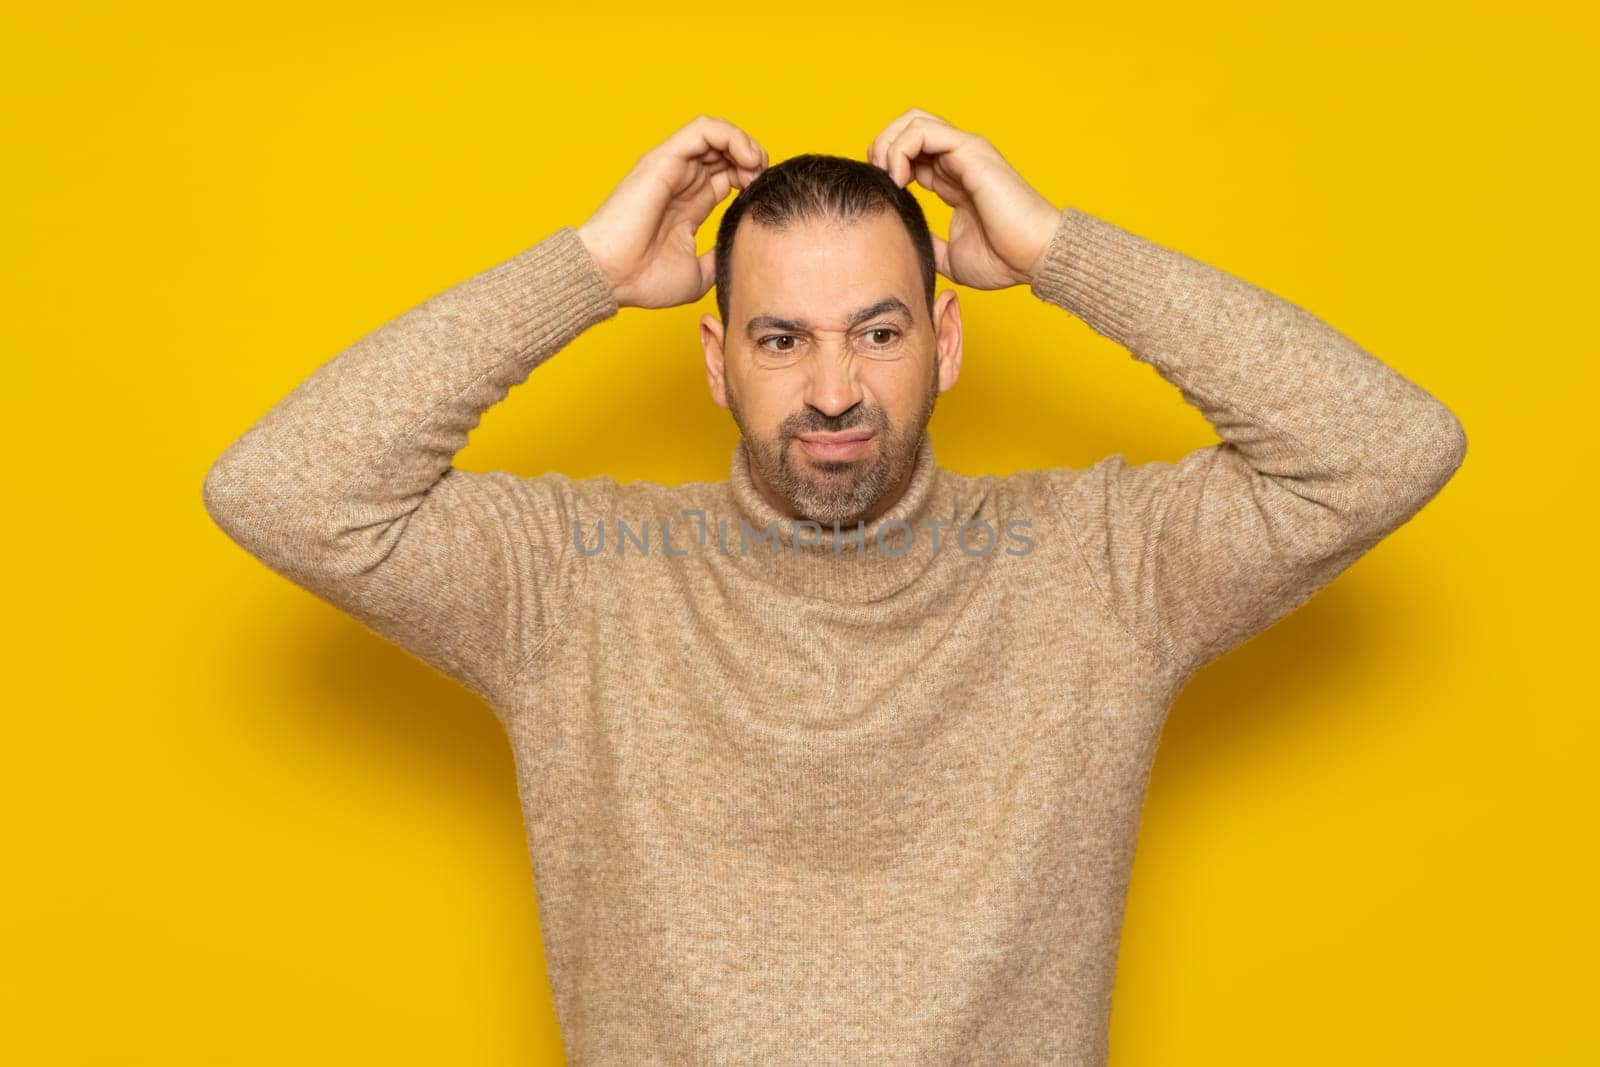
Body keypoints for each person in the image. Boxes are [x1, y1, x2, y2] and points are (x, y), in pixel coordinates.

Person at [202, 110, 1467, 1064]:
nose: (831, 390)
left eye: (876, 329)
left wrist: (1058, 251)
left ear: (946, 336)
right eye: (780, 337)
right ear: (716, 361)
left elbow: (1383, 448)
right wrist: (582, 271)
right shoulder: (573, 587)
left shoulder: (1103, 566)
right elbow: (284, 490)